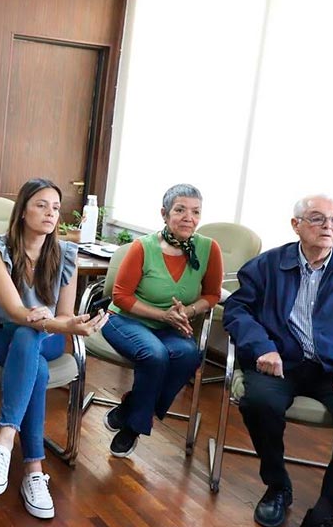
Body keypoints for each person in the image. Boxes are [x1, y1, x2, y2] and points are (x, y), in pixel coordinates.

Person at [223, 194, 333, 527]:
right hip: (280, 361)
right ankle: (277, 487)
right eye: (317, 218)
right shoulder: (266, 266)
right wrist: (262, 347)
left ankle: (326, 507)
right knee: (258, 401)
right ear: (296, 225)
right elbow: (237, 309)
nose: (328, 226)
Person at [0, 178, 108, 520]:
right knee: (34, 356)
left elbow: (63, 315)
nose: (50, 213)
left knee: (31, 339)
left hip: (46, 337)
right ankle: (33, 470)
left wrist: (73, 324)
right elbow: (17, 312)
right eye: (41, 205)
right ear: (23, 210)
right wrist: (59, 324)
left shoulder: (66, 255)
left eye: (56, 208)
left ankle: (4, 443)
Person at [100, 183, 223, 458]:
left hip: (172, 326)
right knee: (155, 355)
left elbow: (213, 294)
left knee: (189, 354)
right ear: (164, 213)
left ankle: (130, 411)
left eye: (195, 212)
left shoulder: (208, 248)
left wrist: (188, 312)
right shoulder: (142, 247)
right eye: (180, 210)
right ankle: (134, 426)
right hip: (125, 320)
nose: (188, 218)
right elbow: (120, 296)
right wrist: (163, 315)